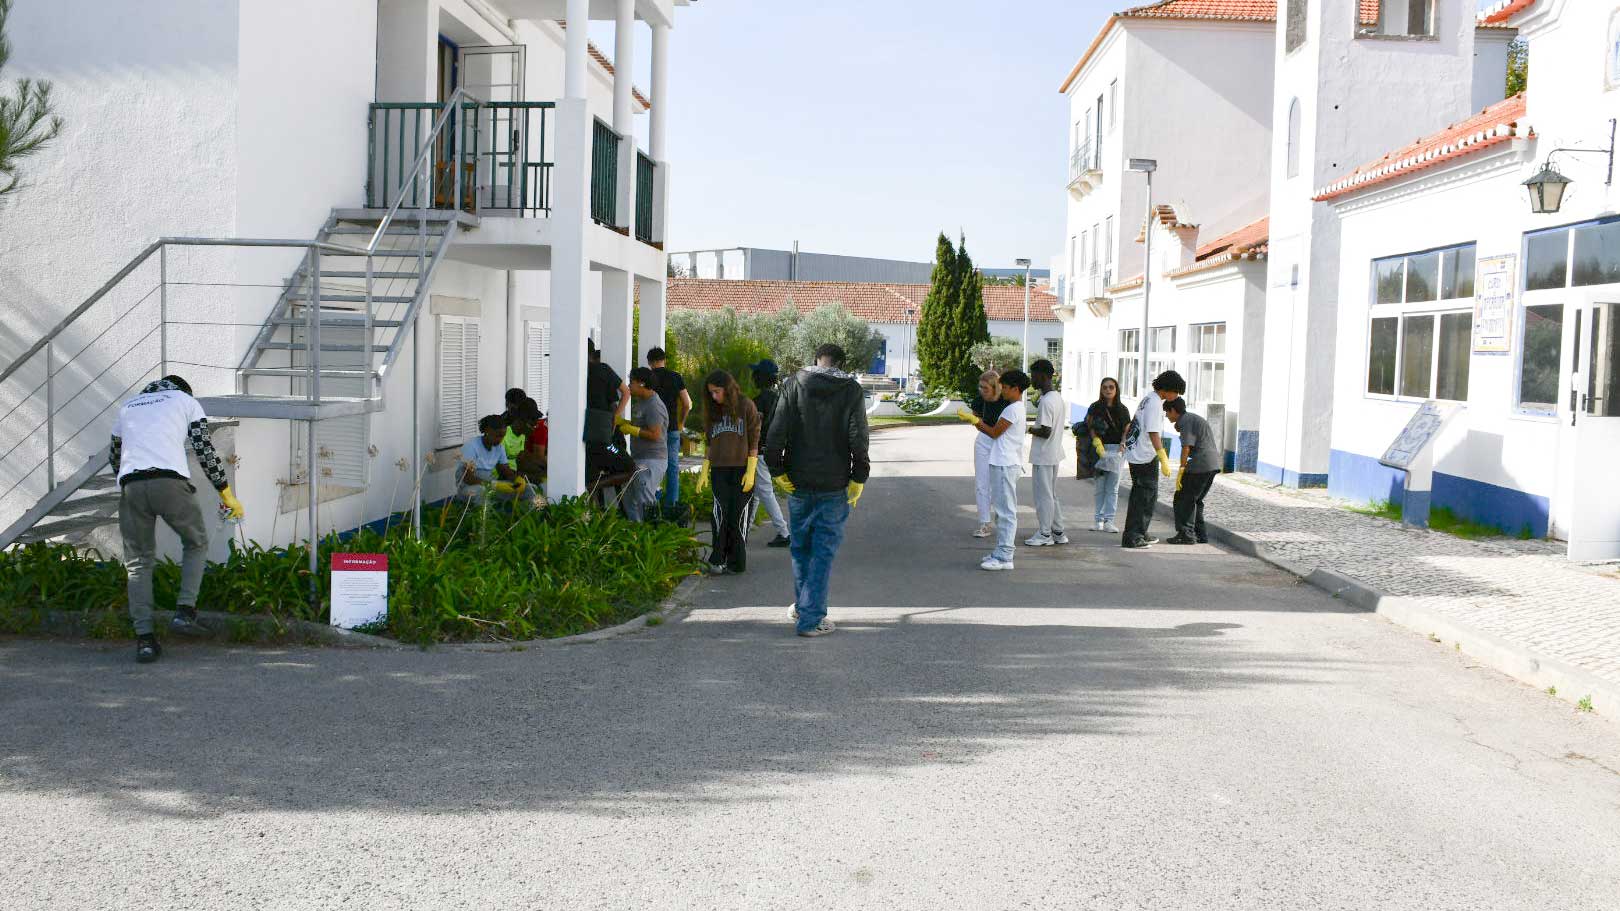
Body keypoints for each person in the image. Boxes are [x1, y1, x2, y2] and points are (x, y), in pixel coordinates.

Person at [109, 375, 244, 664]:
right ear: (183, 390)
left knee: (138, 562)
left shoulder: (129, 406)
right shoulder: (186, 401)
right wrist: (226, 493)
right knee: (196, 542)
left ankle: (145, 640)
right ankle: (185, 612)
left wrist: (130, 483)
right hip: (170, 483)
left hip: (132, 486)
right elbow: (204, 450)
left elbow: (115, 455)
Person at [763, 343, 871, 638]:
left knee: (801, 549)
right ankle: (810, 619)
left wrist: (777, 469)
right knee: (822, 551)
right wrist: (858, 476)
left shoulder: (793, 384)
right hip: (834, 483)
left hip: (797, 480)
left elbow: (776, 431)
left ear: (815, 360)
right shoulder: (851, 390)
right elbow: (858, 436)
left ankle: (804, 607)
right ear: (841, 363)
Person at [958, 369, 1029, 571]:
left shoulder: (1012, 409)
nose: (1002, 391)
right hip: (1003, 462)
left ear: (1016, 389)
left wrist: (976, 421)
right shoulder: (1015, 407)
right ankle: (1001, 551)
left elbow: (994, 433)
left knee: (1006, 512)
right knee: (1002, 510)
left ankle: (1005, 556)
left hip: (1005, 463)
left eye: (1005, 388)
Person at [696, 370, 761, 575]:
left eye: (717, 391)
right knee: (719, 514)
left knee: (738, 516)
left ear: (728, 388)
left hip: (742, 469)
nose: (714, 396)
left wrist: (751, 470)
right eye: (711, 393)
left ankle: (736, 562)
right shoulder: (712, 411)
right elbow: (709, 442)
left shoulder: (746, 406)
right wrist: (704, 470)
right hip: (719, 470)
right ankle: (717, 559)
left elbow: (754, 440)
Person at [1120, 370, 1185, 549]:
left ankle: (1141, 531)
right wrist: (1163, 455)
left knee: (1148, 495)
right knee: (1143, 497)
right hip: (1143, 456)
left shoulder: (1149, 398)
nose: (1176, 396)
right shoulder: (1155, 404)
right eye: (1176, 391)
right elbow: (1153, 432)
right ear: (1168, 388)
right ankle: (1132, 537)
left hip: (1139, 452)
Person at [1163, 397, 1221, 545]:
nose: (1166, 416)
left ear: (1174, 411)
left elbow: (1186, 447)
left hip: (1200, 465)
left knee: (1183, 499)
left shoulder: (1186, 421)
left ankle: (1186, 534)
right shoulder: (1191, 418)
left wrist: (1181, 469)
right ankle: (1200, 534)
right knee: (1196, 500)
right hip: (1212, 463)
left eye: (1167, 412)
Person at [1025, 359, 1069, 547]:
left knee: (1043, 496)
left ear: (1043, 376)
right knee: (1051, 494)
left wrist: (1028, 429)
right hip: (1054, 453)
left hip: (1044, 455)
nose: (1032, 380)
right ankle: (1058, 532)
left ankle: (1044, 534)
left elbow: (1045, 430)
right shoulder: (1057, 397)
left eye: (1033, 376)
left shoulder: (1047, 401)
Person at [1079, 377, 1131, 534]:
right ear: (1101, 390)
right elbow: (1089, 424)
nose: (1108, 390)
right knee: (1100, 486)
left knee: (1113, 487)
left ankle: (1110, 520)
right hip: (1099, 450)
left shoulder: (1123, 409)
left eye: (1111, 387)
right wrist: (1096, 441)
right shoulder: (1095, 407)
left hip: (1116, 450)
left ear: (1116, 390)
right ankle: (1097, 520)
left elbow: (1127, 429)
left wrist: (1122, 446)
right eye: (1105, 387)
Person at [749, 358, 791, 548]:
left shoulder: (757, 402)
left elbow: (752, 427)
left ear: (759, 377)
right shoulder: (780, 397)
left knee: (764, 491)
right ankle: (746, 527)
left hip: (760, 450)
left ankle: (783, 531)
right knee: (758, 492)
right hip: (774, 450)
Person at [585, 342, 635, 497]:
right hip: (603, 439)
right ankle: (592, 486)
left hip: (582, 442)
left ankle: (592, 489)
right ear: (593, 354)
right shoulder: (603, 369)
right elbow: (626, 393)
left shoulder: (571, 371)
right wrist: (616, 417)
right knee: (630, 468)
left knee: (592, 470)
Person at [620, 367, 669, 522]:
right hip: (639, 457)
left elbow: (656, 434)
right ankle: (637, 532)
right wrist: (625, 423)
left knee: (644, 491)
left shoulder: (654, 405)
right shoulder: (641, 402)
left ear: (642, 384)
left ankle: (653, 530)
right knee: (628, 496)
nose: (629, 386)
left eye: (631, 382)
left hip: (653, 459)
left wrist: (632, 430)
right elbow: (641, 425)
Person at [647, 347, 691, 509]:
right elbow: (687, 404)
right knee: (672, 467)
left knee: (652, 465)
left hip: (652, 429)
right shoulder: (675, 377)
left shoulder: (648, 378)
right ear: (664, 360)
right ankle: (672, 505)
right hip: (672, 427)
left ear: (649, 362)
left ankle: (652, 501)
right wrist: (681, 423)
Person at [460, 414, 531, 503]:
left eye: (503, 436)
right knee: (481, 491)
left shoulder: (499, 448)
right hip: (469, 488)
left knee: (529, 489)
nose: (500, 440)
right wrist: (493, 485)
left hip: (491, 486)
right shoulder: (471, 447)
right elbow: (468, 478)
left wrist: (516, 479)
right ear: (487, 431)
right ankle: (486, 516)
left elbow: (505, 470)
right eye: (497, 436)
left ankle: (527, 515)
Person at [969, 369, 1004, 538]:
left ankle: (1002, 520)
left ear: (995, 387)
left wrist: (980, 423)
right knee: (982, 483)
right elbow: (978, 420)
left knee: (1000, 484)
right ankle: (984, 523)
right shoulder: (978, 401)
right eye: (980, 388)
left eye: (985, 388)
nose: (982, 391)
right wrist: (976, 421)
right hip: (984, 441)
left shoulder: (1005, 401)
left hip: (1001, 442)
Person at [503, 397, 548, 488]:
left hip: (514, 473)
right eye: (533, 424)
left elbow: (522, 460)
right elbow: (502, 470)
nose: (535, 427)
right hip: (502, 477)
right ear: (521, 420)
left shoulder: (522, 436)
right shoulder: (503, 436)